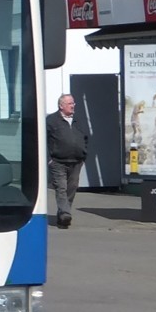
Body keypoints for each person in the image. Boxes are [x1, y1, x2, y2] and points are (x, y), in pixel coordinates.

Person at [46, 93, 89, 229]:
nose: (73, 105)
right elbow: (43, 140)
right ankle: (65, 213)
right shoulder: (52, 120)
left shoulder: (77, 120)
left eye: (73, 103)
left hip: (76, 162)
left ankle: (63, 213)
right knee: (61, 188)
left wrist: (83, 155)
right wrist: (49, 159)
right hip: (58, 161)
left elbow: (85, 138)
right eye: (70, 103)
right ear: (61, 105)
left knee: (72, 188)